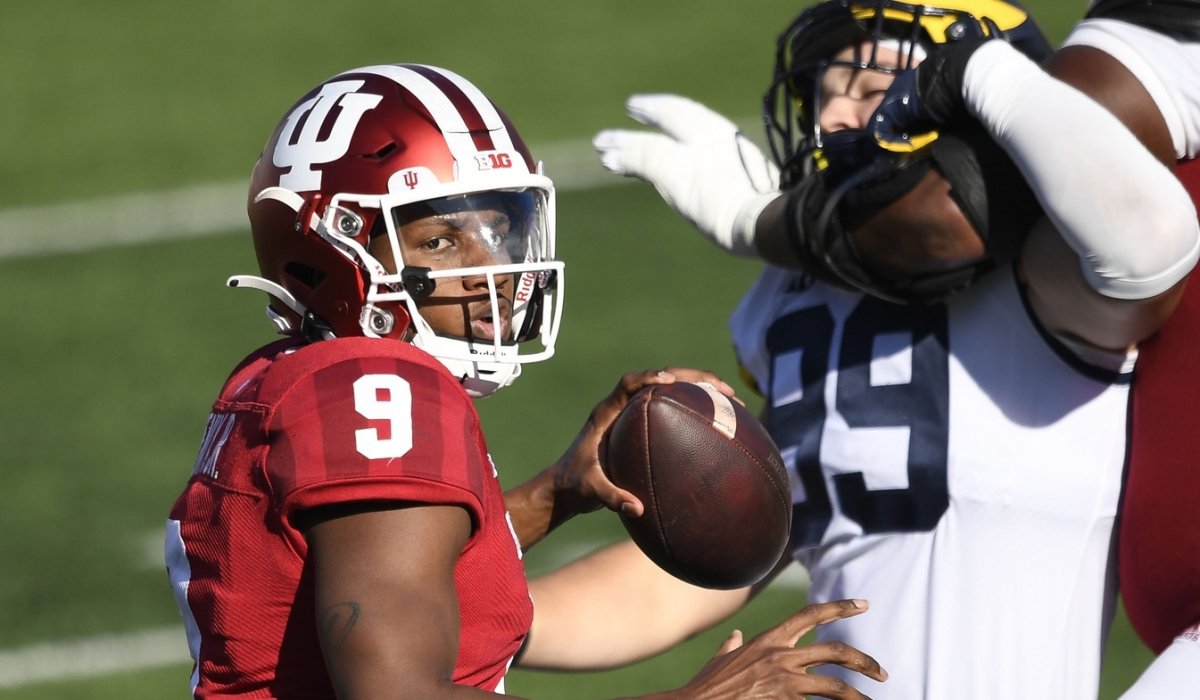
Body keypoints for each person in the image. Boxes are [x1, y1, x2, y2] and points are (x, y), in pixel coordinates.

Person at [161, 63, 888, 699]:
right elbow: (398, 693)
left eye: (501, 227)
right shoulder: (378, 386)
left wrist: (558, 493)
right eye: (439, 239)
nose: (497, 269)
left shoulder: (289, 374)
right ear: (329, 247)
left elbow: (391, 565)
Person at [583, 1, 1200, 697]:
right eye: (825, 94)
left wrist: (990, 77)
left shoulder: (1051, 266)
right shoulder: (784, 303)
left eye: (874, 91)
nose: (836, 119)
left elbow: (1149, 239)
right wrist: (485, 606)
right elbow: (720, 557)